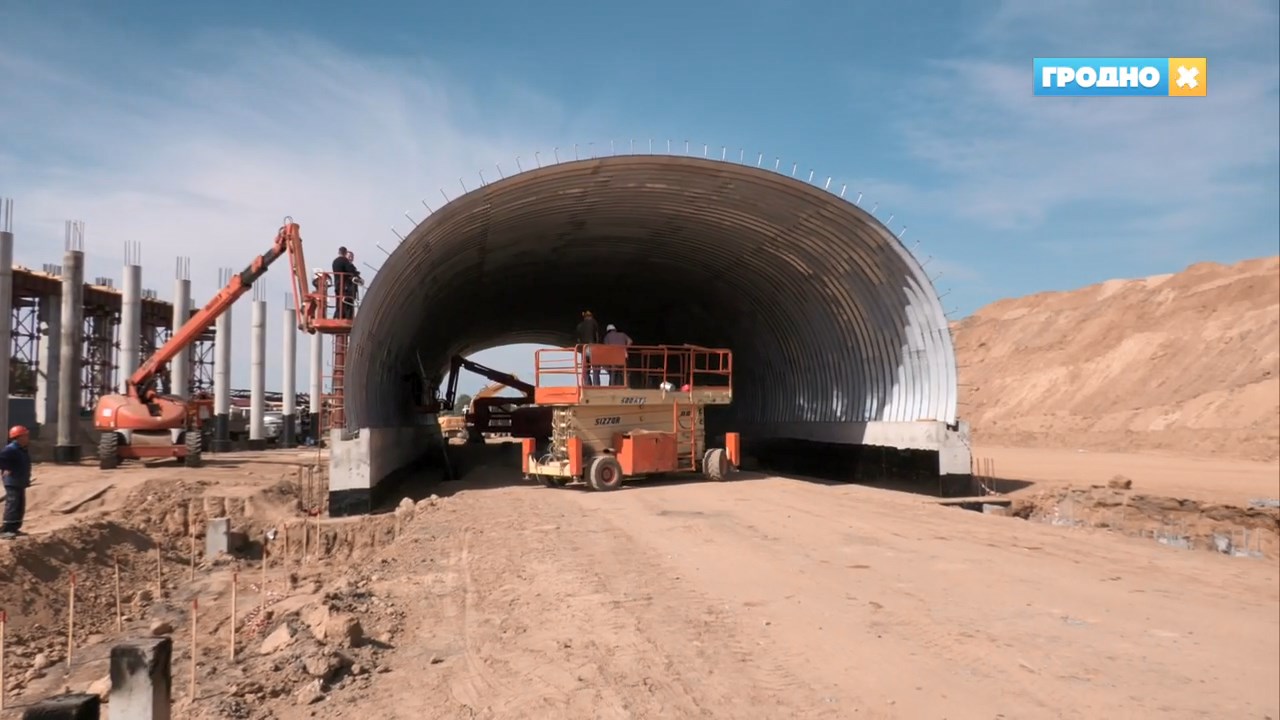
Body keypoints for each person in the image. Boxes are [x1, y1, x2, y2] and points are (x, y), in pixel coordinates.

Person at [0, 425, 32, 539]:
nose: (27, 438)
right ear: (18, 437)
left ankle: (15, 528)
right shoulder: (11, 449)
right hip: (12, 481)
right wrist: (6, 468)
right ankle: (6, 529)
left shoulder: (21, 450)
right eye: (25, 436)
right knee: (13, 505)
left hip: (19, 481)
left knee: (19, 505)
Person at [331, 246, 362, 319]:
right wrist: (358, 277)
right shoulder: (344, 261)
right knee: (347, 302)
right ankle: (347, 317)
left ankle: (338, 316)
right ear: (345, 253)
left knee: (339, 301)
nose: (351, 258)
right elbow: (351, 270)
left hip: (338, 284)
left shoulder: (335, 261)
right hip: (345, 286)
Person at [575, 311, 601, 386]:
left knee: (586, 368)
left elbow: (578, 339)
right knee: (595, 368)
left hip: (584, 348)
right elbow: (597, 335)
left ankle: (587, 384)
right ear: (591, 316)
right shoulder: (594, 323)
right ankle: (596, 385)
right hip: (593, 347)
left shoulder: (579, 325)